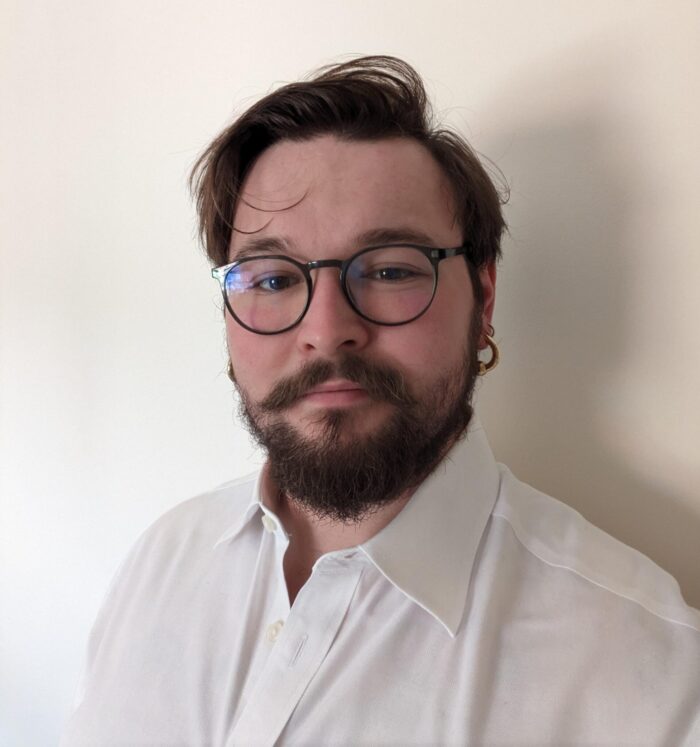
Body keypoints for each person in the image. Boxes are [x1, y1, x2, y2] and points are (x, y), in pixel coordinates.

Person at [61, 56, 700, 746]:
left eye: (391, 268)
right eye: (273, 280)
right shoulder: (160, 563)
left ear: (483, 298)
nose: (328, 328)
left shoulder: (646, 671)